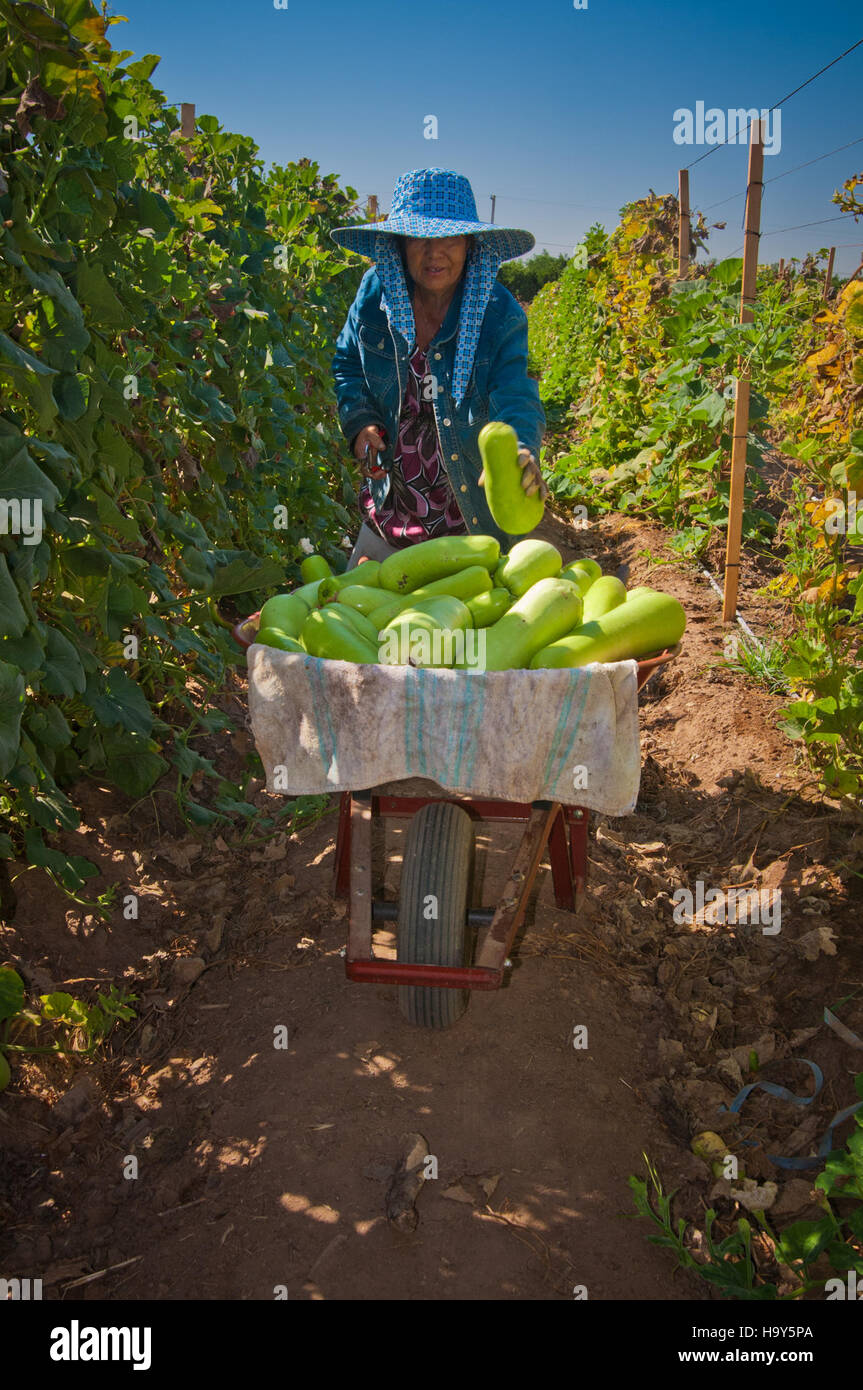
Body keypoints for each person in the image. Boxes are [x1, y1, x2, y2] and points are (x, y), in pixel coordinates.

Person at [330, 168, 548, 568]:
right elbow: (348, 363)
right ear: (398, 245)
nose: (434, 254)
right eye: (419, 239)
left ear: (469, 244)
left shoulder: (498, 314)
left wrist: (519, 447)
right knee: (360, 614)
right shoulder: (374, 296)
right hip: (390, 514)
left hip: (469, 519)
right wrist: (359, 422)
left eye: (447, 238)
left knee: (463, 628)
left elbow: (515, 391)